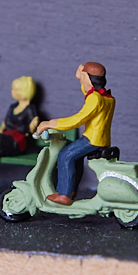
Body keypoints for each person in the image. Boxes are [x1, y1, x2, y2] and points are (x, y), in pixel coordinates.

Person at [36, 61, 114, 205]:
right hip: (102, 139)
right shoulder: (107, 98)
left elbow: (76, 120)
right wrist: (81, 73)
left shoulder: (95, 99)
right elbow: (86, 89)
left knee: (65, 155)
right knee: (74, 155)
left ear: (88, 78)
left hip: (92, 140)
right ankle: (70, 190)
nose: (81, 80)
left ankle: (64, 195)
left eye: (83, 77)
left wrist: (49, 123)